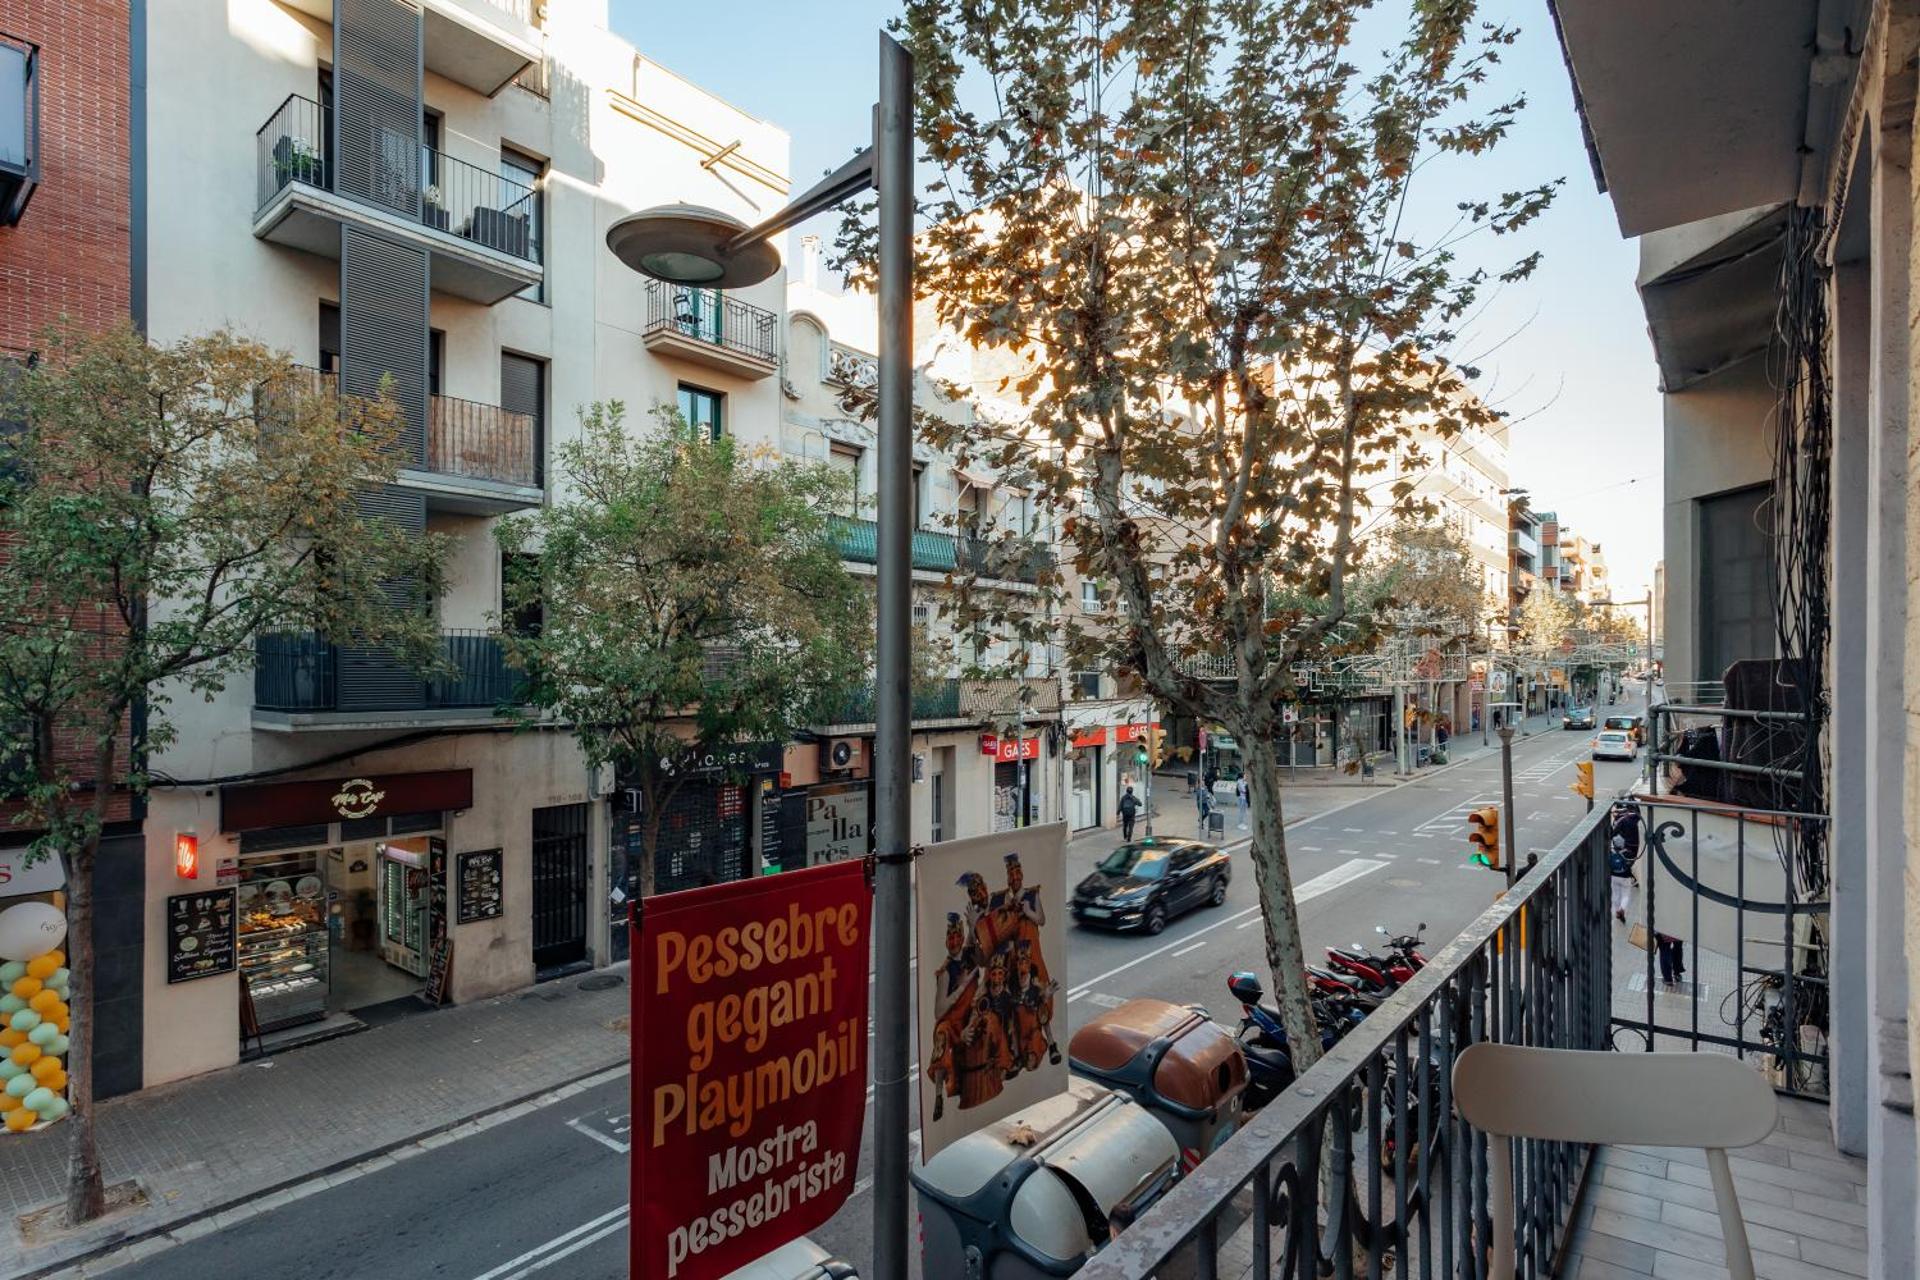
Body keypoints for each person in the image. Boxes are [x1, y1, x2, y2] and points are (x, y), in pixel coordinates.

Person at [1608, 834, 1635, 923]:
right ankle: (1622, 909)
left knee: (1616, 894)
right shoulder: (1627, 853)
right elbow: (1631, 861)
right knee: (1626, 894)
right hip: (1625, 877)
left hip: (1613, 876)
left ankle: (1616, 911)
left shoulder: (1610, 852)